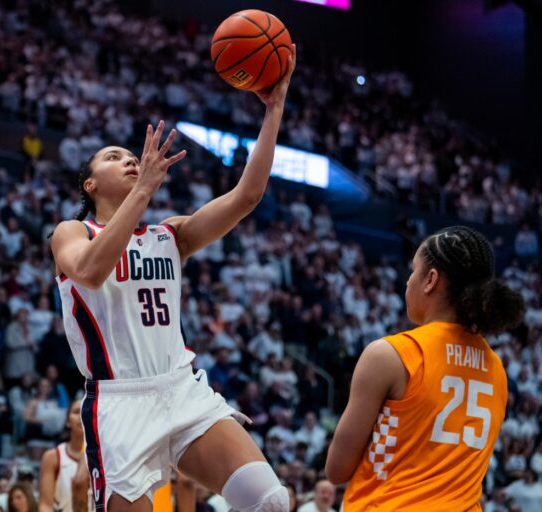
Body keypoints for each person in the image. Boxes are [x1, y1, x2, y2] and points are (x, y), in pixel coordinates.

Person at [50, 46, 296, 512]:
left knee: (270, 501)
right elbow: (90, 271)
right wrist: (142, 189)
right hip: (119, 403)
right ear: (90, 185)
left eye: (131, 156)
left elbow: (247, 196)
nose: (128, 160)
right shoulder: (72, 232)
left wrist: (274, 107)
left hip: (181, 389)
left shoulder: (170, 235)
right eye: (113, 157)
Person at [326, 226, 527, 510]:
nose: (408, 281)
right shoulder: (497, 368)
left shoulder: (392, 354)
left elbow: (336, 470)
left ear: (430, 279)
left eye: (413, 270)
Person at [39, 399, 90, 512]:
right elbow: (45, 506)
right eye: (76, 412)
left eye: (85, 411)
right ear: (67, 421)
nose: (81, 416)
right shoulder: (53, 457)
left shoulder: (106, 456)